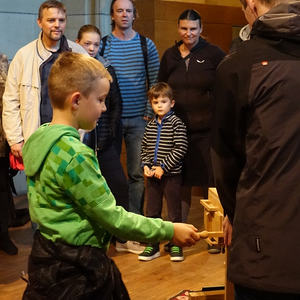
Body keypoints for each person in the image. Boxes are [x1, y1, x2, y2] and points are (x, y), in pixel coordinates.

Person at [21, 52, 200, 299]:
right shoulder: (74, 155)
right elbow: (113, 218)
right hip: (78, 268)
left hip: (45, 257)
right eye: (101, 100)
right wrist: (169, 230)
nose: (105, 108)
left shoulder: (38, 138)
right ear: (76, 100)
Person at [211, 0, 300, 299]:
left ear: (250, 5)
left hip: (266, 247)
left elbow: (225, 158)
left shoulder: (238, 65)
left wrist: (235, 215)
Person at [158, 9, 225, 252]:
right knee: (178, 182)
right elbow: (161, 88)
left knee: (211, 181)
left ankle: (215, 237)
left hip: (207, 131)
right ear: (178, 29)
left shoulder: (214, 54)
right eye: (185, 28)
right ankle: (179, 234)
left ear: (201, 28)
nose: (189, 33)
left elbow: (225, 88)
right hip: (177, 131)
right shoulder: (170, 56)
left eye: (194, 28)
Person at [76, 24, 143, 255]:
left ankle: (122, 238)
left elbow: (115, 105)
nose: (92, 48)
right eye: (87, 43)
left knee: (118, 185)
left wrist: (109, 138)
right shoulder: (71, 69)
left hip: (103, 142)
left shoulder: (107, 67)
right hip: (78, 143)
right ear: (78, 43)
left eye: (96, 44)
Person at [2, 0, 86, 159]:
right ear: (39, 22)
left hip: (71, 139)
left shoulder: (79, 54)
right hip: (37, 139)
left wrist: (83, 133)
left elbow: (90, 96)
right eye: (51, 20)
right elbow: (11, 100)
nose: (57, 25)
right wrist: (15, 139)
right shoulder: (24, 55)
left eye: (61, 20)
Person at [99, 0, 160, 217]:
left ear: (135, 15)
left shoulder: (146, 45)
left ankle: (133, 220)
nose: (124, 15)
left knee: (137, 173)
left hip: (139, 120)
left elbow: (154, 81)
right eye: (119, 11)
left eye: (128, 11)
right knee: (108, 172)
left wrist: (149, 112)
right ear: (112, 16)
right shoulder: (103, 45)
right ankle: (115, 221)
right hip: (109, 121)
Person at [138, 82, 188, 262]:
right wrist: (145, 165)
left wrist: (163, 167)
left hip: (171, 176)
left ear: (172, 103)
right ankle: (153, 245)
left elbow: (180, 148)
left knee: (174, 212)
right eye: (155, 102)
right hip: (152, 177)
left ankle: (175, 244)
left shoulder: (177, 124)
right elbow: (144, 147)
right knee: (151, 211)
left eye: (163, 101)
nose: (159, 105)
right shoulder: (150, 125)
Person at [0, 53, 17, 255]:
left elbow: (10, 101)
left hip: (1, 138)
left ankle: (3, 234)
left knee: (2, 188)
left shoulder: (3, 61)